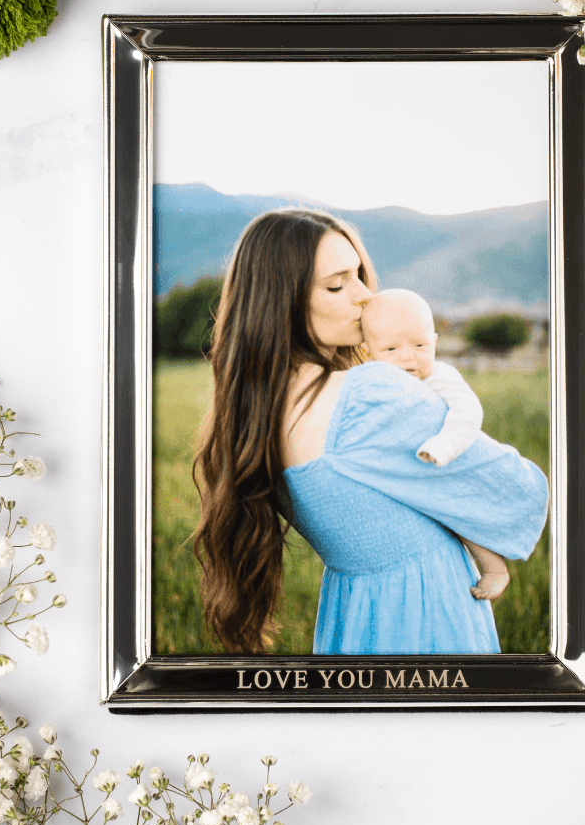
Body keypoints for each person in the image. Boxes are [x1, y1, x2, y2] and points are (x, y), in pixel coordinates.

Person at [192, 206, 549, 656]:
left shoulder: (251, 417)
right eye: (337, 285)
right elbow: (513, 490)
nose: (365, 296)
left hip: (351, 624)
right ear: (282, 300)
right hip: (428, 621)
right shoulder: (369, 395)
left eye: (359, 276)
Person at [360, 287, 513, 601]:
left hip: (443, 462)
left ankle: (494, 568)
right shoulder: (370, 381)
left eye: (420, 345)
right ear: (368, 352)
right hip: (405, 470)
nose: (408, 357)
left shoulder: (440, 376)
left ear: (434, 342)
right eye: (391, 348)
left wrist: (444, 446)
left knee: (460, 513)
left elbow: (468, 412)